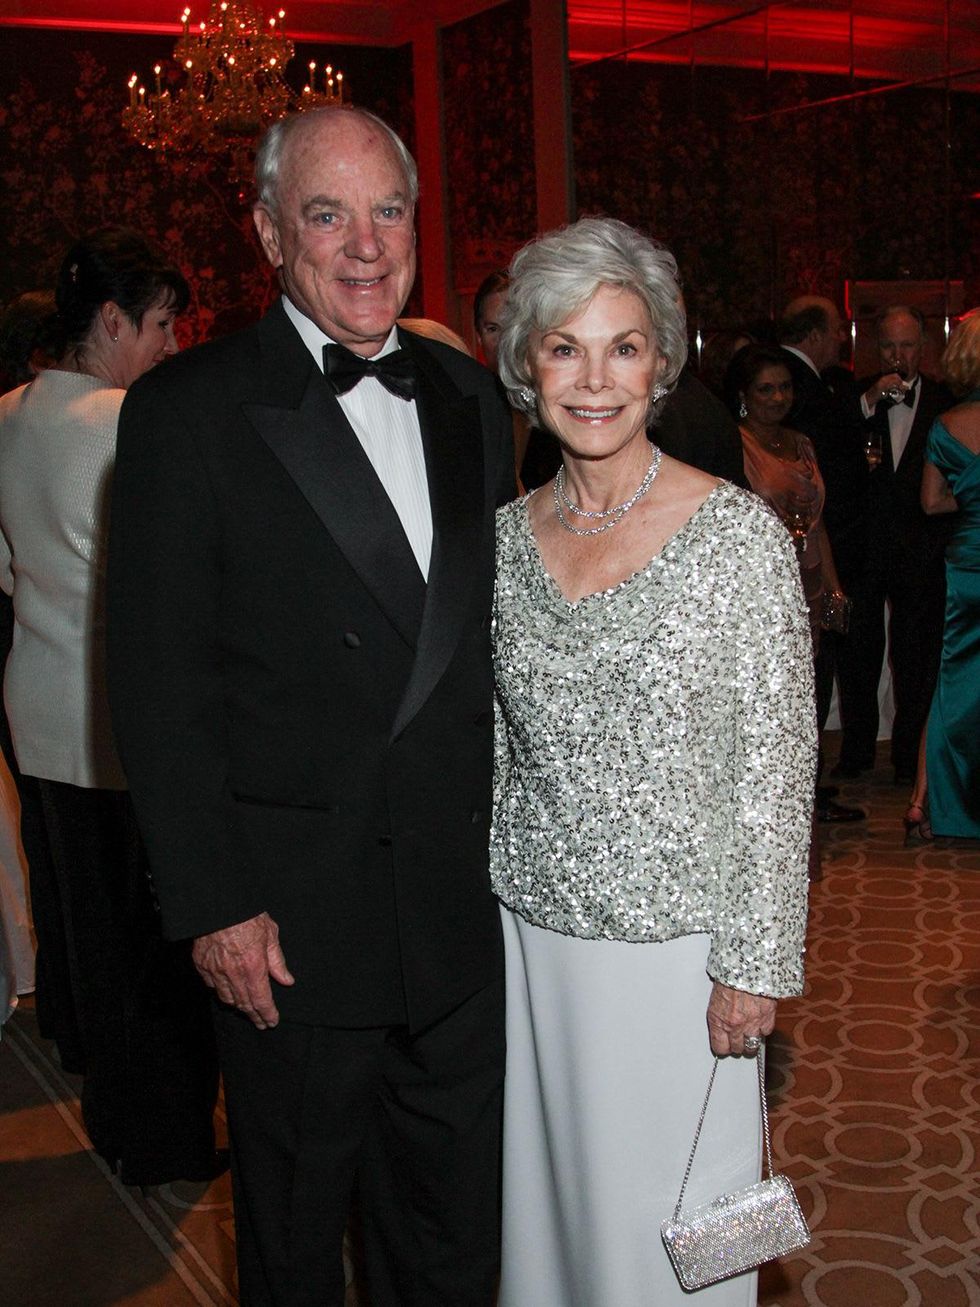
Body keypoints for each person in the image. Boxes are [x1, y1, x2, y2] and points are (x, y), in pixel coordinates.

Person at [106, 108, 514, 1307]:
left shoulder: (468, 395)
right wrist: (215, 903)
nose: (365, 244)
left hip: (451, 911)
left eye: (389, 210)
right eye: (327, 214)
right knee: (292, 1242)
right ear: (269, 232)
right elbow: (158, 684)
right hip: (289, 923)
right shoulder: (186, 411)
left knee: (447, 1230)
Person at [492, 217, 815, 1306]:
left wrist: (755, 963)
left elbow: (776, 764)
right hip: (534, 948)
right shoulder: (494, 543)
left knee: (690, 1230)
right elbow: (494, 755)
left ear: (662, 364)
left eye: (623, 347)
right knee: (555, 1218)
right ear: (525, 363)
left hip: (684, 964)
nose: (593, 379)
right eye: (563, 346)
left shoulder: (735, 537)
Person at [0, 227, 220, 1184]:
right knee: (156, 946)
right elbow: (168, 586)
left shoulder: (7, 411)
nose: (173, 344)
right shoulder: (123, 421)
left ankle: (113, 1109)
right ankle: (164, 1137)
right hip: (120, 712)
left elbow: (6, 569)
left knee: (83, 924)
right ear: (111, 319)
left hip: (36, 699)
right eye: (163, 323)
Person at [834, 306, 954, 784]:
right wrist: (867, 400)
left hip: (922, 549)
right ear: (874, 347)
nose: (898, 355)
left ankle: (909, 757)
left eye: (907, 345)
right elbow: (832, 448)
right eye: (888, 346)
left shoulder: (946, 401)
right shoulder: (854, 397)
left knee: (916, 654)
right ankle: (858, 751)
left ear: (923, 348)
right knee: (859, 651)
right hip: (865, 547)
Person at [777, 296, 867, 821]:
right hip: (784, 572)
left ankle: (809, 786)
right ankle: (797, 795)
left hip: (817, 561)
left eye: (782, 390)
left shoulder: (804, 427)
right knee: (795, 685)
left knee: (818, 676)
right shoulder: (804, 390)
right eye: (838, 329)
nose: (779, 396)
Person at [905, 310, 980, 843]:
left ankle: (924, 800)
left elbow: (931, 503)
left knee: (952, 684)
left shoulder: (946, 423)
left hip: (966, 565)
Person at [726, 343, 844, 643]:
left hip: (810, 576)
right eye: (765, 389)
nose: (778, 398)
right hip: (763, 581)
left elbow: (818, 524)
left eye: (785, 387)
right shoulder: (734, 445)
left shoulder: (802, 443)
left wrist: (833, 587)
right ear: (744, 395)